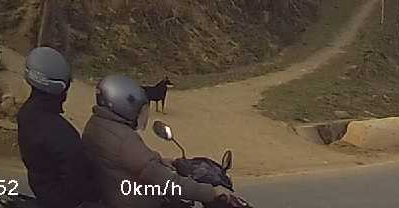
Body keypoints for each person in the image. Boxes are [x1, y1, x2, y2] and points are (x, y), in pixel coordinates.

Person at [83, 74, 240, 207]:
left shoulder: (98, 124)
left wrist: (159, 161)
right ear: (124, 106)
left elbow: (133, 162)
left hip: (115, 195)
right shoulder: (124, 139)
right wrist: (211, 192)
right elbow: (168, 183)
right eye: (139, 109)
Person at [16, 46, 101, 208]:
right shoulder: (59, 131)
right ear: (61, 88)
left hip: (43, 189)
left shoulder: (27, 113)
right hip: (66, 201)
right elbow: (79, 180)